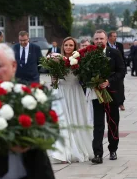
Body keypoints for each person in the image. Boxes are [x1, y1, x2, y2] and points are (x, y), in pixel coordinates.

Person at [0, 43, 55, 179]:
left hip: (31, 173)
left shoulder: (34, 96)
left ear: (13, 66)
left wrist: (30, 141)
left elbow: (51, 134)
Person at [50, 37, 93, 163]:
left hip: (75, 91)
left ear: (75, 47)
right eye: (66, 45)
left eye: (71, 45)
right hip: (61, 92)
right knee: (62, 121)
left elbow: (84, 77)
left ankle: (77, 149)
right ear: (62, 46)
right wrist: (53, 80)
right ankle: (62, 152)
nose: (68, 47)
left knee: (76, 119)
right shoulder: (56, 58)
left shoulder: (79, 59)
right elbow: (54, 81)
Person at [90, 30, 126, 164]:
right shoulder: (90, 54)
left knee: (113, 123)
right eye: (96, 39)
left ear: (106, 40)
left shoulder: (115, 53)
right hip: (96, 94)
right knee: (98, 124)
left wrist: (108, 81)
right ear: (94, 40)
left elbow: (122, 71)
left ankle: (113, 149)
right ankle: (98, 154)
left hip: (112, 94)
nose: (99, 41)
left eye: (101, 38)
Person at [107, 31, 126, 111]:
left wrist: (123, 68)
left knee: (120, 86)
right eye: (114, 36)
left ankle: (121, 103)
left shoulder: (119, 45)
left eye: (116, 36)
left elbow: (122, 57)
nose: (115, 37)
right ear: (109, 37)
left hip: (119, 70)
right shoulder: (106, 46)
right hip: (110, 70)